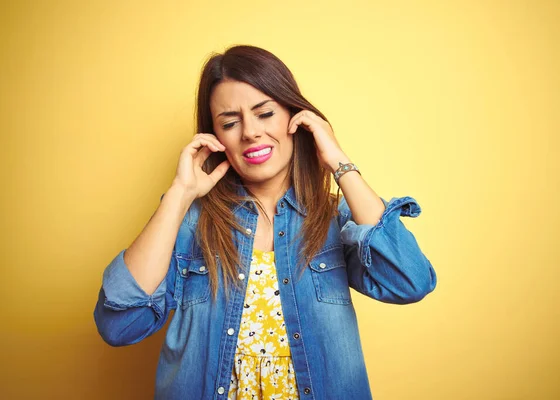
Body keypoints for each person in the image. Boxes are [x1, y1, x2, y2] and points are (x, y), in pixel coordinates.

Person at [93, 44, 438, 400]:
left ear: (295, 118)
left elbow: (409, 281)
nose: (250, 132)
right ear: (215, 138)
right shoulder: (193, 223)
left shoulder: (332, 216)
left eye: (265, 113)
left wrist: (339, 162)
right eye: (230, 122)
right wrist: (180, 193)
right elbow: (119, 325)